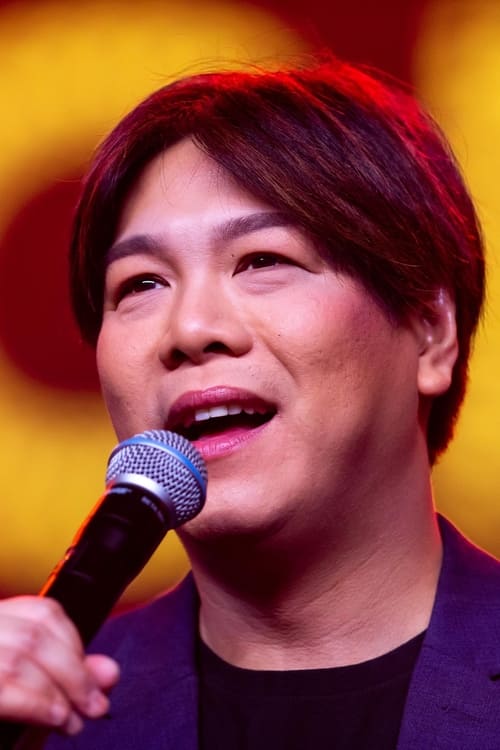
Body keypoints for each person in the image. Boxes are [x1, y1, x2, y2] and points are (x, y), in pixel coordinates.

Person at [0, 57, 497, 749]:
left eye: (263, 260)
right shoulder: (45, 723)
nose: (190, 330)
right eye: (141, 284)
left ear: (431, 332)